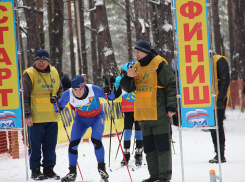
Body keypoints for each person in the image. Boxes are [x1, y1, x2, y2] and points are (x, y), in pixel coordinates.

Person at [120, 41, 176, 182]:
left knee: (162, 147)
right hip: (143, 114)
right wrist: (128, 77)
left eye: (138, 51)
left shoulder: (159, 64)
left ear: (146, 51)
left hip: (159, 113)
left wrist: (171, 107)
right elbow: (128, 88)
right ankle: (154, 176)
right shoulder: (136, 66)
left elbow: (172, 85)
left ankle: (164, 177)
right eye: (135, 51)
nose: (136, 54)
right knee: (149, 149)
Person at [59, 75, 115, 182]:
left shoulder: (94, 89)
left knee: (96, 140)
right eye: (75, 89)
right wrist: (54, 103)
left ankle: (102, 168)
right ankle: (72, 172)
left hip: (97, 117)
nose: (78, 92)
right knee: (73, 144)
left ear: (84, 86)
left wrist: (108, 91)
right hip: (81, 120)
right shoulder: (68, 94)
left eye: (80, 89)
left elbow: (111, 98)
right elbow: (59, 108)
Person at [23, 49, 63, 180]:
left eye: (43, 61)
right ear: (34, 61)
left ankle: (49, 169)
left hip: (52, 116)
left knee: (50, 145)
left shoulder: (54, 72)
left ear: (48, 62)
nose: (41, 63)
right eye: (38, 61)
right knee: (35, 146)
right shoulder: (29, 73)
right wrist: (27, 114)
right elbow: (24, 96)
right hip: (35, 118)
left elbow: (60, 89)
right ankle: (35, 170)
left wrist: (59, 100)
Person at [113, 61, 143, 167]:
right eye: (129, 70)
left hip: (139, 111)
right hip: (128, 111)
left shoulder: (141, 81)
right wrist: (111, 89)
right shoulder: (124, 81)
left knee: (139, 133)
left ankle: (139, 154)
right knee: (127, 133)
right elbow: (114, 95)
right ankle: (126, 155)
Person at [209, 54, 230, 163]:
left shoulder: (219, 60)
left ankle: (221, 154)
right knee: (212, 126)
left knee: (217, 125)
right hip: (207, 100)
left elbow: (225, 80)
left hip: (218, 99)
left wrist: (221, 98)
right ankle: (218, 153)